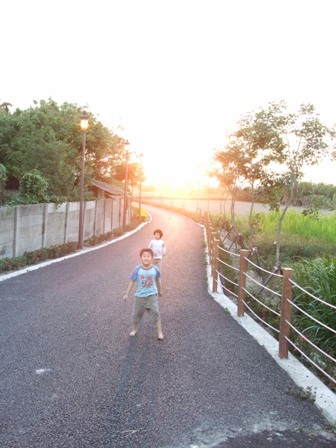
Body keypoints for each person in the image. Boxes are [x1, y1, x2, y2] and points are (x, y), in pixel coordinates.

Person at [123, 248, 164, 340]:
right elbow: (132, 281)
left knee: (155, 312)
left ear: (152, 258)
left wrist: (160, 290)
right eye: (144, 256)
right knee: (136, 314)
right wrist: (127, 293)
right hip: (139, 296)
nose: (146, 258)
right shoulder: (137, 269)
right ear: (141, 257)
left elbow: (158, 280)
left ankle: (160, 332)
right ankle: (134, 329)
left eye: (148, 256)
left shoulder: (155, 269)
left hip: (152, 295)